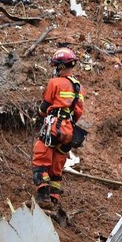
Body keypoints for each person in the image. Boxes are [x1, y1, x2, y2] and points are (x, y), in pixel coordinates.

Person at [32, 47, 85, 210]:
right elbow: (78, 112)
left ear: (60, 66)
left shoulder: (54, 83)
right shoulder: (79, 87)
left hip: (54, 126)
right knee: (57, 164)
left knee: (40, 157)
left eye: (56, 66)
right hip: (69, 130)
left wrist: (40, 114)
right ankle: (54, 199)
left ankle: (43, 195)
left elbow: (45, 106)